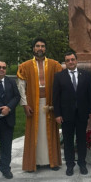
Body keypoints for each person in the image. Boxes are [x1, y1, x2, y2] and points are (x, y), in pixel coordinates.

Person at [17, 38, 62, 172]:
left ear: (45, 49)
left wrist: (58, 105)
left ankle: (52, 162)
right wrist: (24, 104)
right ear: (33, 48)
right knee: (34, 133)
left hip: (50, 104)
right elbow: (21, 87)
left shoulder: (55, 65)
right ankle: (33, 163)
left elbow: (60, 86)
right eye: (37, 46)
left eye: (42, 46)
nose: (40, 48)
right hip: (33, 104)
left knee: (50, 132)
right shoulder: (25, 66)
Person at [52, 51, 91, 176]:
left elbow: (90, 95)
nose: (70, 62)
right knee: (68, 140)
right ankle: (70, 165)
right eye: (68, 60)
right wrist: (57, 114)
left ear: (76, 60)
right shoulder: (59, 76)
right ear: (65, 62)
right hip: (66, 115)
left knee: (82, 140)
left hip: (82, 114)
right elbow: (56, 98)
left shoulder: (85, 75)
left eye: (72, 59)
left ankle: (82, 163)